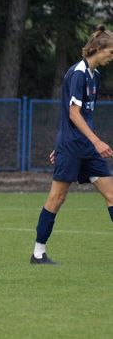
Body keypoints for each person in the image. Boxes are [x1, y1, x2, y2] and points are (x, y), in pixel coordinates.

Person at [30, 25, 113, 265]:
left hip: (86, 147)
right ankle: (38, 253)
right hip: (74, 147)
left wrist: (85, 142)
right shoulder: (78, 73)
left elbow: (83, 117)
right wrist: (93, 141)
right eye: (111, 52)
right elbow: (73, 114)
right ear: (98, 49)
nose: (112, 57)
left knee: (111, 194)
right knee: (57, 198)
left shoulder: (95, 76)